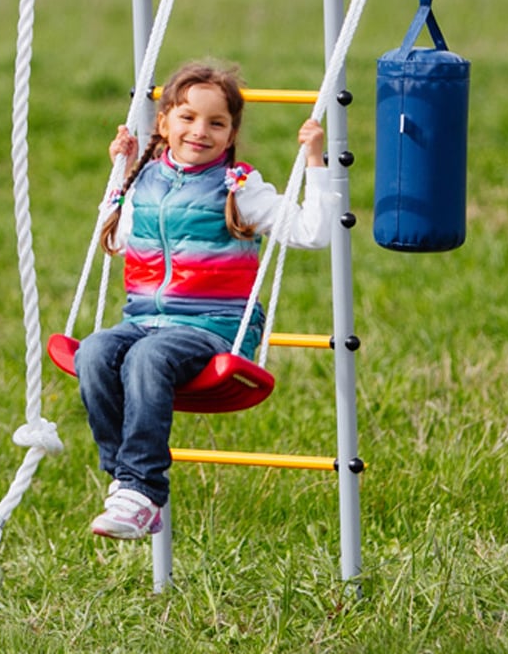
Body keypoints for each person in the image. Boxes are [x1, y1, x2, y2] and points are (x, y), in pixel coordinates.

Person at [75, 60, 333, 540]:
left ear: (232, 132)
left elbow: (313, 232)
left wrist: (316, 161)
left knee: (147, 358)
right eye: (188, 117)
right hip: (145, 320)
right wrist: (120, 173)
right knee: (93, 352)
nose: (200, 131)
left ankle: (143, 488)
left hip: (212, 328)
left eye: (217, 123)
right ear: (164, 122)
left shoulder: (237, 187)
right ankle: (125, 484)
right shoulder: (144, 179)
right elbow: (115, 239)